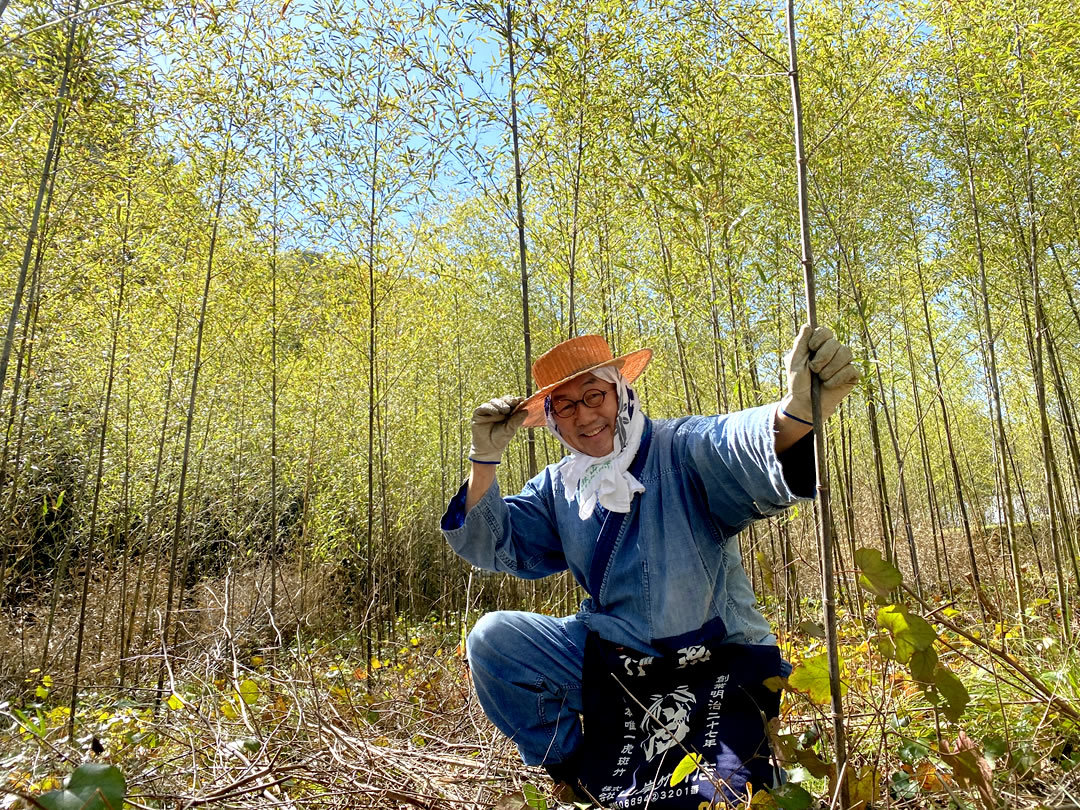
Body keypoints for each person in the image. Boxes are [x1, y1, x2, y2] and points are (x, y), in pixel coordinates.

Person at [440, 327, 859, 796]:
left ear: (620, 392)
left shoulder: (679, 447)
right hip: (619, 662)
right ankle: (576, 772)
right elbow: (496, 543)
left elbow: (733, 442)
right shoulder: (561, 487)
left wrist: (799, 412)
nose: (586, 415)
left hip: (713, 659)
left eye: (594, 395)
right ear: (554, 420)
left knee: (728, 794)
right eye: (567, 405)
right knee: (493, 639)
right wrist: (484, 461)